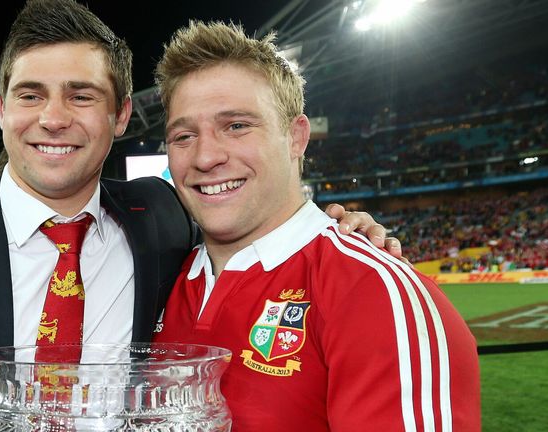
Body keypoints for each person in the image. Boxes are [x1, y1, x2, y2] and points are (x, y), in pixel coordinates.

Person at [0, 1, 399, 430]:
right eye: (29, 95)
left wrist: (340, 226)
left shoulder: (163, 215)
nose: (52, 118)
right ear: (1, 110)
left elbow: (255, 211)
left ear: (121, 114)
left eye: (80, 95)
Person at [151, 21, 481, 431]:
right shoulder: (161, 278)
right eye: (183, 136)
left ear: (296, 137)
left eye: (236, 126)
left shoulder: (373, 291)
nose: (205, 157)